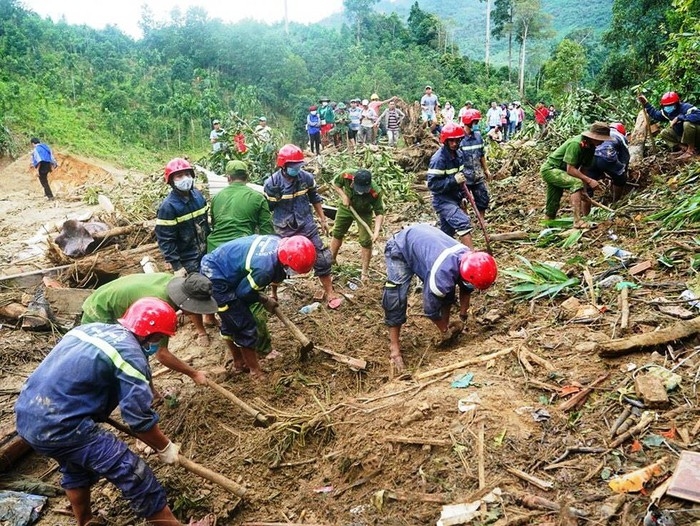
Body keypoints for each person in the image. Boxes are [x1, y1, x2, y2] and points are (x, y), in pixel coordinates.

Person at [15, 297, 217, 526]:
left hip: (28, 417)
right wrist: (164, 446)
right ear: (151, 335)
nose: (158, 342)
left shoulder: (89, 329)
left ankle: (86, 521)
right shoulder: (130, 356)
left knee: (75, 468)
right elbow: (138, 418)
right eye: (159, 337)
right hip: (63, 425)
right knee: (133, 472)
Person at [382, 224, 497, 372]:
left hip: (425, 246)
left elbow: (466, 288)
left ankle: (445, 326)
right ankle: (394, 349)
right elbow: (430, 310)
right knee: (395, 297)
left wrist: (462, 318)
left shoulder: (470, 259)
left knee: (447, 293)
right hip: (401, 247)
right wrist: (445, 331)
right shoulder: (442, 274)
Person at [201, 235, 316, 378]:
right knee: (243, 324)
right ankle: (254, 371)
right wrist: (264, 299)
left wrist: (264, 297)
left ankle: (239, 362)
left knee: (231, 319)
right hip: (216, 277)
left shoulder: (278, 243)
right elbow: (243, 293)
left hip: (225, 266)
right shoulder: (264, 269)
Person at [81, 272, 218, 382]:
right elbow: (162, 354)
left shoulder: (173, 284)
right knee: (124, 356)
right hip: (100, 310)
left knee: (142, 345)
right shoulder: (160, 307)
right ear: (186, 301)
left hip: (111, 297)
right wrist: (194, 374)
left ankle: (149, 390)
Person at [207, 159, 275, 358]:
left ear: (228, 178)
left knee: (225, 304)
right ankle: (264, 349)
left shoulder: (217, 197)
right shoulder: (257, 197)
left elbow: (214, 226)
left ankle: (235, 352)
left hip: (215, 255)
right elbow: (267, 234)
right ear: (247, 177)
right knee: (252, 300)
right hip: (241, 255)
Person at [263, 144, 341, 307]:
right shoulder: (271, 183)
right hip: (283, 228)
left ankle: (329, 292)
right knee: (277, 262)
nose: (296, 168)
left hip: (306, 224)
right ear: (284, 165)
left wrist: (322, 219)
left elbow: (315, 198)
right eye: (293, 165)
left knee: (321, 257)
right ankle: (274, 293)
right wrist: (274, 198)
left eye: (298, 165)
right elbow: (267, 209)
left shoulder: (306, 178)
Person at [155, 158, 213, 339]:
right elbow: (165, 239)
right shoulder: (168, 207)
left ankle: (210, 318)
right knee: (192, 295)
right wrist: (176, 265)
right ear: (171, 181)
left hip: (204, 250)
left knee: (209, 285)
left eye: (187, 174)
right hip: (187, 257)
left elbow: (206, 226)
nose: (185, 178)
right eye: (179, 176)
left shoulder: (198, 196)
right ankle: (200, 330)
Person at [539, 122, 611, 228]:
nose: (602, 141)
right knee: (575, 182)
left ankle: (546, 227)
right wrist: (589, 181)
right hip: (551, 169)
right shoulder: (576, 144)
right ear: (594, 137)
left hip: (560, 172)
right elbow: (570, 170)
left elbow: (583, 170)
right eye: (601, 139)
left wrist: (584, 191)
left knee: (553, 202)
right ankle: (577, 221)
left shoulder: (590, 148)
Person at [330, 168, 385, 281]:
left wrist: (376, 232)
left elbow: (379, 212)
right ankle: (331, 261)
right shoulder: (346, 175)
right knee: (337, 233)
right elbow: (335, 184)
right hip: (346, 207)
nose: (361, 191)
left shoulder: (375, 191)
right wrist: (344, 196)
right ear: (353, 181)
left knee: (366, 241)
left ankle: (364, 273)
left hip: (364, 213)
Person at [427, 122, 474, 248]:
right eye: (451, 141)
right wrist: (453, 180)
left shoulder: (459, 155)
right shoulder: (439, 160)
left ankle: (437, 252)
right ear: (445, 141)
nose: (454, 144)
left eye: (456, 141)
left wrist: (464, 196)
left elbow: (462, 180)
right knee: (463, 223)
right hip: (443, 200)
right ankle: (472, 258)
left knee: (447, 233)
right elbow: (432, 185)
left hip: (455, 197)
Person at [639, 91, 700, 159]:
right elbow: (656, 115)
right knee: (664, 133)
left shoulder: (687, 108)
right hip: (682, 135)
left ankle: (690, 150)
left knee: (687, 123)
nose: (668, 107)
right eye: (666, 106)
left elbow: (698, 116)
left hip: (697, 136)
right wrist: (646, 104)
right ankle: (684, 148)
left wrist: (679, 118)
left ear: (677, 104)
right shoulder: (667, 112)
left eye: (670, 105)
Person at [460, 109, 492, 222]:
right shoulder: (459, 139)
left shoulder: (478, 137)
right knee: (463, 199)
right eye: (475, 123)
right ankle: (465, 219)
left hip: (477, 175)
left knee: (483, 198)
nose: (476, 125)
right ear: (468, 122)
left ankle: (481, 219)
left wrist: (486, 169)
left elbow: (481, 154)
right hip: (464, 176)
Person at [588, 122, 629, 202]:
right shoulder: (621, 137)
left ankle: (585, 211)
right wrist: (623, 172)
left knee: (588, 184)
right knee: (620, 179)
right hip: (607, 157)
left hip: (590, 158)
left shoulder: (597, 134)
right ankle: (616, 201)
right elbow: (625, 157)